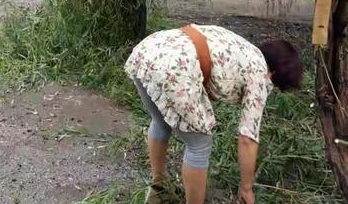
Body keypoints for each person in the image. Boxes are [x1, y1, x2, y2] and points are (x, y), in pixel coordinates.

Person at [125, 24, 304, 204]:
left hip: (149, 50)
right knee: (200, 144)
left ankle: (158, 189)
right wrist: (246, 189)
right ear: (273, 74)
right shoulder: (259, 73)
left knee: (161, 122)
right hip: (175, 67)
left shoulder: (244, 48)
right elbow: (247, 139)